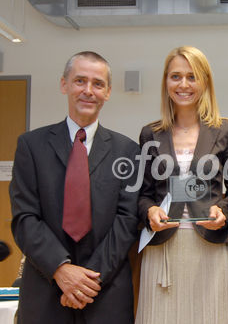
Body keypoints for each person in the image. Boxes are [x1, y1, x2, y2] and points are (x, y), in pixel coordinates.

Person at [10, 51, 140, 323]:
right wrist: (62, 270)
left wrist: (87, 281)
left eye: (98, 84)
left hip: (105, 295)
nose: (88, 91)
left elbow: (126, 222)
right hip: (46, 291)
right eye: (80, 81)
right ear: (64, 85)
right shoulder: (31, 146)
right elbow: (25, 218)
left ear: (108, 92)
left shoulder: (128, 151)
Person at [135, 46, 228, 324]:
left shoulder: (225, 129)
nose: (183, 84)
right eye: (175, 76)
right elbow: (143, 194)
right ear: (166, 82)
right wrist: (150, 212)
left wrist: (223, 212)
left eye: (192, 77)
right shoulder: (151, 133)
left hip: (210, 248)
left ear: (204, 82)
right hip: (163, 250)